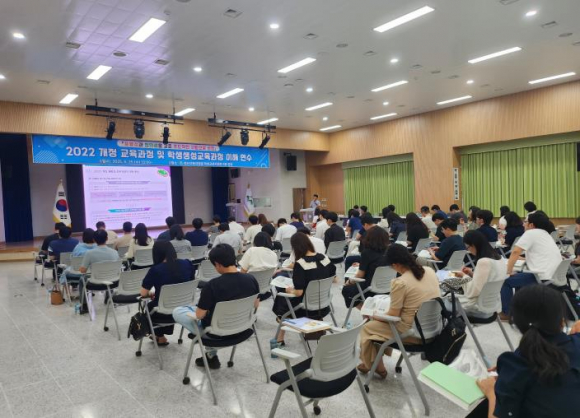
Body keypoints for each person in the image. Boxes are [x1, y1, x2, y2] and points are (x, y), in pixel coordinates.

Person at [470, 285, 580, 418]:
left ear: (515, 322)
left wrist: (491, 392)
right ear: (562, 320)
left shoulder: (515, 364)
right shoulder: (576, 342)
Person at [172, 244, 260, 369]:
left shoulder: (212, 285)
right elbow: (256, 305)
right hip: (242, 328)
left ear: (217, 264)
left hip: (216, 334)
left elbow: (199, 315)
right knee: (207, 312)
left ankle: (211, 353)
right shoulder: (251, 279)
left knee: (178, 311)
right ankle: (210, 355)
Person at [358, 244, 440, 377]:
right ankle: (371, 363)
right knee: (378, 329)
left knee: (368, 327)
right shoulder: (429, 271)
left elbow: (393, 315)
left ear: (395, 265)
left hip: (411, 333)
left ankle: (375, 366)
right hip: (433, 329)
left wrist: (373, 314)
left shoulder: (400, 282)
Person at [271, 233, 337, 344]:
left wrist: (288, 290)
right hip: (324, 304)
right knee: (284, 302)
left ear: (295, 248)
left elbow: (298, 292)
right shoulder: (325, 259)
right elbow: (335, 279)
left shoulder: (300, 264)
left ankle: (280, 336)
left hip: (304, 307)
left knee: (282, 297)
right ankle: (280, 336)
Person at [501, 212, 562, 319]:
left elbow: (515, 252)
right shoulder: (546, 234)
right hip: (553, 275)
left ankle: (507, 313)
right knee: (518, 276)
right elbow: (539, 254)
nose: (523, 224)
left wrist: (508, 271)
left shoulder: (531, 233)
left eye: (525, 222)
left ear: (532, 225)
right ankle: (520, 309)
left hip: (540, 276)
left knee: (505, 281)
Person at [139, 241, 193, 345]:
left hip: (162, 313)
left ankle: (159, 336)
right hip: (184, 309)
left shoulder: (155, 270)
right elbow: (190, 283)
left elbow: (143, 293)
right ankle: (160, 336)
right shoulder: (187, 263)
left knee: (151, 306)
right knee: (167, 302)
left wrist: (151, 294)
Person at [449, 230, 506, 318]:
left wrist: (463, 276)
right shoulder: (499, 258)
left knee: (444, 302)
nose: (468, 250)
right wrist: (472, 274)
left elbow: (474, 291)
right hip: (493, 305)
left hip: (477, 308)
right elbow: (488, 281)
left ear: (474, 245)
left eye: (468, 247)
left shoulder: (483, 262)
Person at [342, 226, 390, 308]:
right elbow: (378, 265)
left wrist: (349, 282)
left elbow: (360, 275)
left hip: (370, 288)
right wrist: (361, 265)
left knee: (346, 289)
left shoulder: (367, 253)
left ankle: (367, 312)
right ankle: (370, 312)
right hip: (387, 288)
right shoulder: (389, 251)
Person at [78, 229, 120, 314]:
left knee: (82, 280)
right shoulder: (115, 252)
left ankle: (84, 305)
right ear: (107, 238)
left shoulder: (89, 253)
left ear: (94, 240)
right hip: (113, 282)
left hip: (95, 283)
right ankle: (109, 297)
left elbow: (83, 271)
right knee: (109, 274)